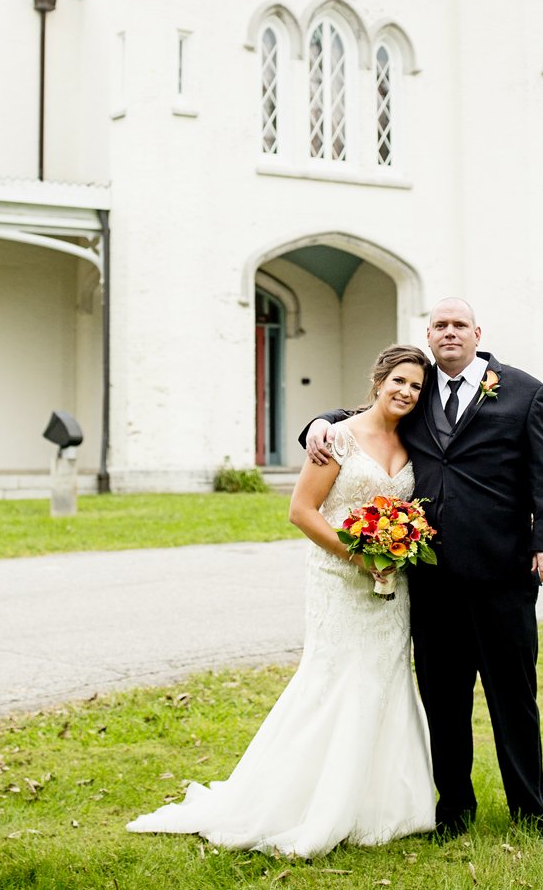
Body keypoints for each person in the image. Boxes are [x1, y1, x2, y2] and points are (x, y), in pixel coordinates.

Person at [127, 345, 436, 858]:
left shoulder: (412, 441)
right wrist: (360, 557)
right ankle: (305, 801)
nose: (406, 392)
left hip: (391, 583)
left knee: (385, 678)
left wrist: (394, 551)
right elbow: (302, 510)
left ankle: (382, 804)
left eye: (416, 387)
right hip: (339, 578)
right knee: (335, 679)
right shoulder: (335, 437)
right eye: (399, 381)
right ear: (379, 380)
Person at [301, 297, 543, 837]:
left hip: (501, 575)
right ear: (429, 333)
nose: (449, 333)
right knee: (443, 703)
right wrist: (318, 422)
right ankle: (454, 811)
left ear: (476, 333)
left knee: (512, 699)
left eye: (458, 325)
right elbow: (364, 415)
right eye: (439, 325)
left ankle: (530, 814)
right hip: (431, 580)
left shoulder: (522, 392)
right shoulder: (417, 394)